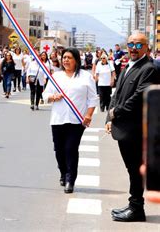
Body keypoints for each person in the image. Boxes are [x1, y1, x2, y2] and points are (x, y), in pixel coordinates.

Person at [105, 33, 159, 222]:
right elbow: (117, 94)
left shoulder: (149, 68)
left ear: (146, 47)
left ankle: (137, 208)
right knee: (131, 168)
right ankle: (133, 204)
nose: (133, 48)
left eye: (138, 44)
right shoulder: (128, 65)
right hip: (124, 127)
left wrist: (116, 113)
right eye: (130, 44)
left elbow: (137, 98)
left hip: (135, 129)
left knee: (135, 168)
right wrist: (109, 117)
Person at [43, 48, 98, 194]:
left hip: (76, 121)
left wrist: (89, 115)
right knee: (59, 150)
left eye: (69, 57)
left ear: (76, 60)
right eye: (64, 57)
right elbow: (45, 95)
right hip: (58, 119)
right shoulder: (56, 76)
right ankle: (63, 172)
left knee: (71, 149)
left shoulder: (85, 77)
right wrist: (53, 97)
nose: (66, 60)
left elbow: (93, 98)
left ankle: (70, 179)